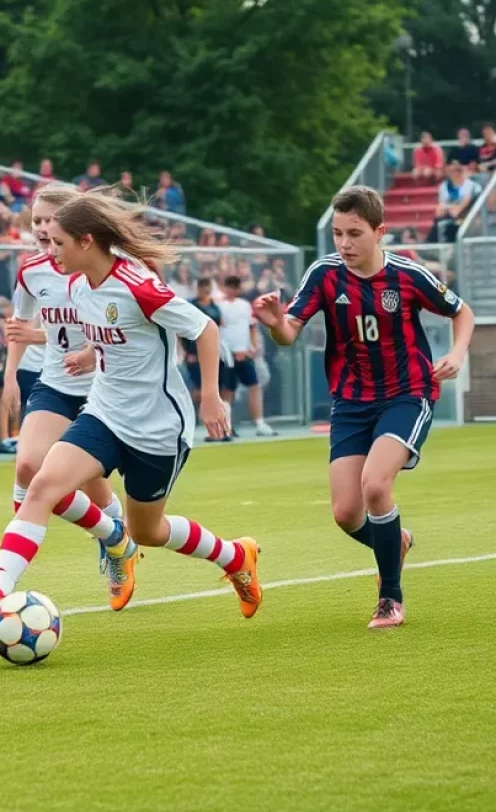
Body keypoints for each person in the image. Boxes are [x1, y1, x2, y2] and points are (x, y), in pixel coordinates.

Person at [0, 190, 261, 627]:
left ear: (86, 241)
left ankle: (235, 555)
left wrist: (210, 397)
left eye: (58, 242)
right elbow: (107, 330)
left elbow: (204, 329)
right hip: (104, 413)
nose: (50, 252)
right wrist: (93, 353)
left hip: (157, 427)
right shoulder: (76, 284)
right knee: (40, 484)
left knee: (149, 530)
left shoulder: (137, 284)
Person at [254, 186, 475, 629]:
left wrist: (457, 353)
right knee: (346, 513)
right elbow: (290, 333)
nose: (344, 244)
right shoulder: (324, 275)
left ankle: (390, 599)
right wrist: (278, 323)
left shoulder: (409, 276)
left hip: (408, 394)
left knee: (376, 485)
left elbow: (461, 311)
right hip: (351, 401)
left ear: (380, 232)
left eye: (354, 234)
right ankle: (397, 542)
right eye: (337, 234)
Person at [0, 184, 129, 606]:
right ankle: (112, 536)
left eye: (48, 221)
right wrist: (9, 378)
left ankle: (117, 542)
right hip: (54, 383)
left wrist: (91, 353)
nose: (40, 228)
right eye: (35, 220)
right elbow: (20, 327)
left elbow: (118, 327)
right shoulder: (31, 272)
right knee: (27, 467)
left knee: (91, 482)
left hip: (100, 390)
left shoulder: (96, 266)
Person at [217, 275, 276, 437]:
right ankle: (225, 427)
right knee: (227, 390)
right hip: (226, 354)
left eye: (235, 287)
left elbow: (252, 327)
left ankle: (260, 423)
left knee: (254, 387)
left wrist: (253, 347)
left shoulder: (244, 305)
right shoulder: (218, 306)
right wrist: (229, 351)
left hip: (245, 354)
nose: (232, 290)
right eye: (229, 286)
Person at [183, 277, 223, 413]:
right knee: (198, 388)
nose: (206, 289)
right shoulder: (190, 305)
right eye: (202, 286)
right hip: (194, 353)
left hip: (213, 352)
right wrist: (188, 352)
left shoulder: (215, 307)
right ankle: (195, 417)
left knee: (215, 386)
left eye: (208, 286)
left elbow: (220, 326)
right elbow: (182, 332)